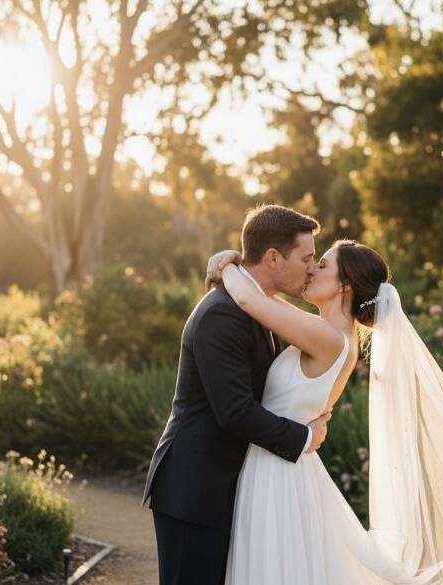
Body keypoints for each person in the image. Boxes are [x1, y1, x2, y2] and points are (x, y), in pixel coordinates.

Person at [205, 236, 443, 584]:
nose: (311, 269)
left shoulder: (330, 339)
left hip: (277, 472)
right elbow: (261, 299)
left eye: (322, 265)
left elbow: (247, 298)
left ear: (345, 286)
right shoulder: (327, 332)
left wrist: (226, 265)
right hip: (282, 464)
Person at [142, 204, 334, 585]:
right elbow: (233, 410)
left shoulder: (258, 308)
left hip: (226, 487)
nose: (312, 268)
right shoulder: (223, 313)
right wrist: (305, 436)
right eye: (307, 258)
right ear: (274, 258)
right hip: (194, 489)